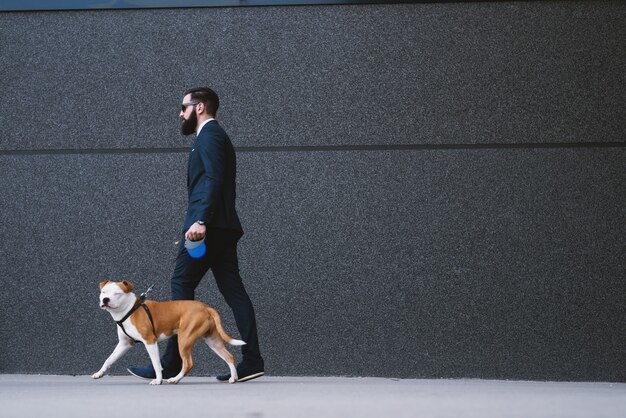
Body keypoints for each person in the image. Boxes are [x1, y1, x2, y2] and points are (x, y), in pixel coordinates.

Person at [128, 87, 264, 382]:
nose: (180, 113)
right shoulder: (210, 137)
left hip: (210, 226)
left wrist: (201, 220)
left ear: (199, 107)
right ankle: (252, 360)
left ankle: (173, 363)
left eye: (183, 107)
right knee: (233, 290)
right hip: (220, 226)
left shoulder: (211, 135)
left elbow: (213, 180)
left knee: (182, 281)